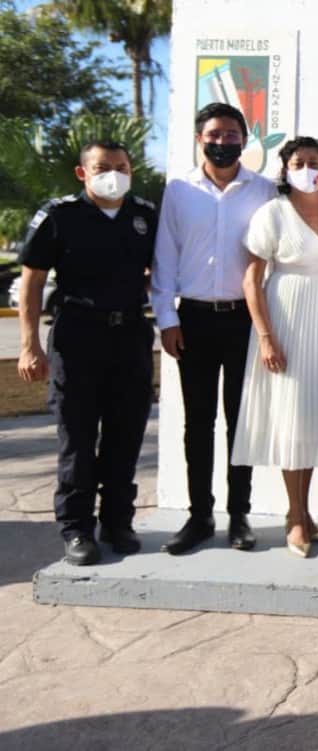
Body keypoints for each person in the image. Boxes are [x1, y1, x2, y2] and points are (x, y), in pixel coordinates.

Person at [15, 140, 158, 564]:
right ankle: (77, 529)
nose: (112, 172)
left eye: (120, 166)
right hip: (77, 335)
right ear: (83, 173)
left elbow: (159, 273)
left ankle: (117, 522)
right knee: (77, 437)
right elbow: (32, 281)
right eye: (102, 166)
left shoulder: (145, 216)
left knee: (126, 433)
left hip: (130, 333)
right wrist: (29, 346)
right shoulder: (60, 216)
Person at [150, 102, 276, 555]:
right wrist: (167, 319)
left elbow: (272, 260)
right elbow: (165, 256)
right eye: (213, 135)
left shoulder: (263, 190)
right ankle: (199, 515)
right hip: (195, 321)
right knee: (198, 423)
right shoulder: (180, 190)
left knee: (241, 423)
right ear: (199, 139)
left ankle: (239, 516)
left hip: (245, 320)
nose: (222, 142)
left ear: (244, 139)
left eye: (230, 134)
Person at [231, 137, 318, 558]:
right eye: (298, 162)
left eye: (314, 161)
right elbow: (252, 280)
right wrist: (265, 336)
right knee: (293, 419)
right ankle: (295, 517)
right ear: (284, 170)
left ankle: (307, 514)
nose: (307, 168)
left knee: (314, 419)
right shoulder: (273, 214)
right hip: (286, 321)